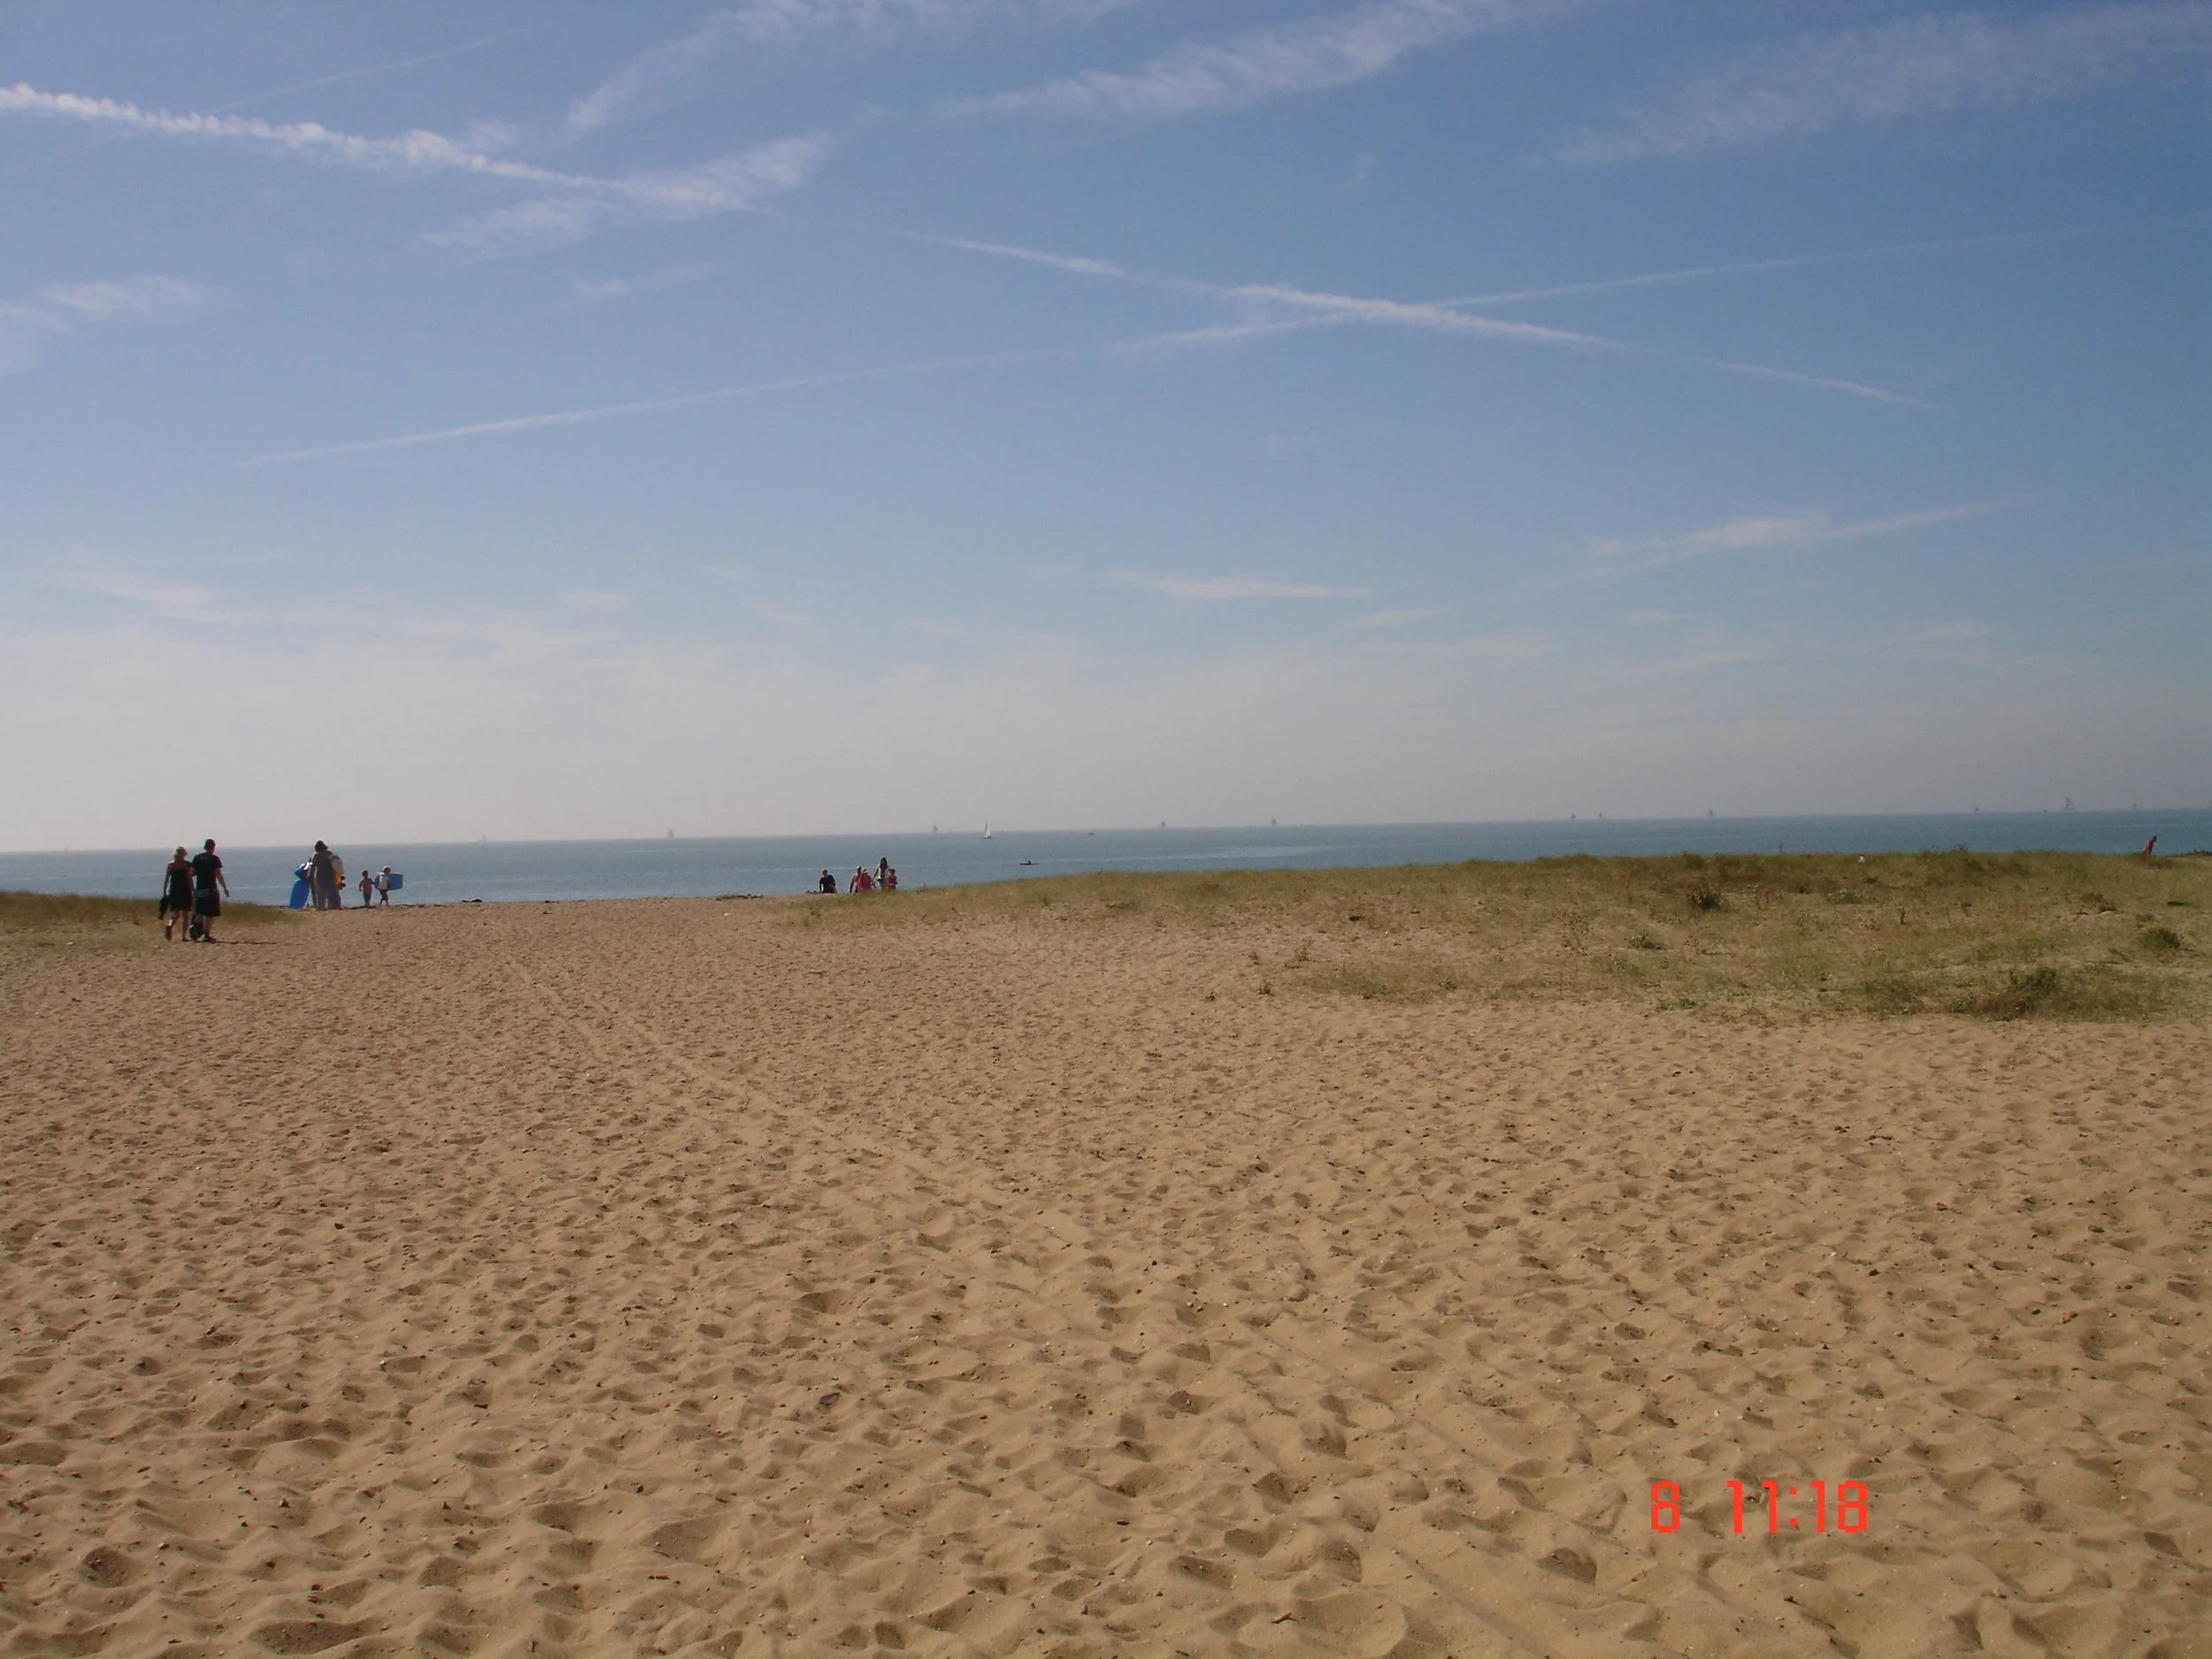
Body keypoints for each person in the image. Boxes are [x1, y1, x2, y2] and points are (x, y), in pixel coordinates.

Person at [188, 839, 228, 942]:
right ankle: (207, 935)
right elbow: (218, 874)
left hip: (200, 889)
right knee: (210, 914)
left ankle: (194, 925)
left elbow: (191, 874)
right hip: (211, 889)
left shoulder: (197, 858)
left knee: (200, 911)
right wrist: (224, 887)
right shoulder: (214, 859)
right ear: (213, 847)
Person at [159, 847, 194, 941]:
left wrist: (164, 891)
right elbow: (189, 879)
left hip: (174, 890)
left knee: (176, 914)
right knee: (185, 915)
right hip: (185, 890)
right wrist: (193, 890)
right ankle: (183, 936)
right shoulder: (187, 865)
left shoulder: (171, 865)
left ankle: (169, 925)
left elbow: (167, 879)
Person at [308, 841, 340, 910]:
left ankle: (320, 906)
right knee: (332, 891)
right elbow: (335, 864)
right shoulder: (330, 854)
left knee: (320, 892)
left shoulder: (316, 855)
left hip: (320, 875)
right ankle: (333, 905)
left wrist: (310, 875)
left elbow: (312, 866)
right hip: (330, 875)